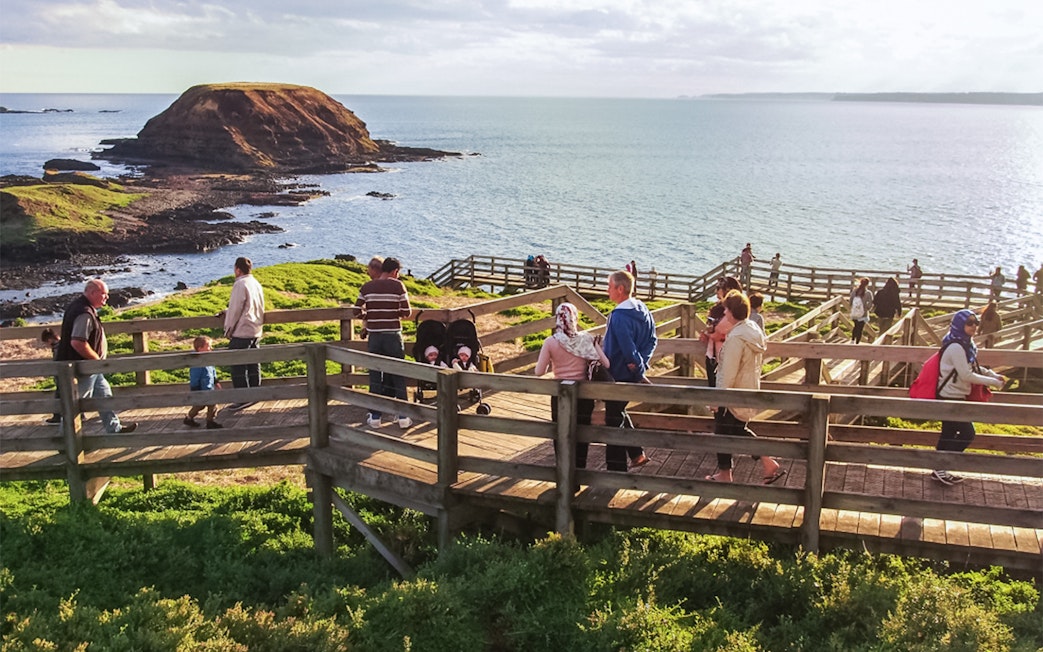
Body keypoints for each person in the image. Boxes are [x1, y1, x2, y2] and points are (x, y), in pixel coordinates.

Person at [705, 290, 785, 485]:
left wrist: (719, 399)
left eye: (725, 311)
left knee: (725, 431)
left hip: (733, 392)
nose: (724, 314)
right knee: (736, 430)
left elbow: (728, 371)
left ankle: (734, 471)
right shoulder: (752, 331)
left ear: (731, 312)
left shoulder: (736, 338)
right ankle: (765, 463)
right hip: (747, 388)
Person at [931, 310, 1005, 485]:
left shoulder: (965, 344)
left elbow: (973, 368)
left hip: (956, 395)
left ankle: (939, 468)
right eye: (970, 322)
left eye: (976, 322)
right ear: (959, 324)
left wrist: (993, 375)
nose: (974, 326)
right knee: (967, 433)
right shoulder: (957, 346)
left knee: (949, 433)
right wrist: (992, 382)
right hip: (950, 396)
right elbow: (966, 375)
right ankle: (940, 466)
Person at [535, 302, 610, 471]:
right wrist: (596, 345)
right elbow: (606, 363)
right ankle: (579, 473)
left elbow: (539, 372)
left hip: (560, 393)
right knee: (581, 436)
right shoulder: (586, 339)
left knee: (560, 435)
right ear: (575, 318)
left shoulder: (551, 342)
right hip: (584, 395)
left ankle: (563, 475)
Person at [55, 279, 137, 433]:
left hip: (91, 367)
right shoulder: (84, 312)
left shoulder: (81, 307)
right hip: (83, 368)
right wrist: (97, 361)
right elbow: (78, 342)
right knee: (75, 405)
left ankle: (115, 429)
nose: (106, 297)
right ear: (92, 293)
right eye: (104, 294)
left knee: (105, 395)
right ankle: (65, 439)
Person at [602, 270, 656, 471]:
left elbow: (627, 347)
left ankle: (615, 469)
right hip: (632, 373)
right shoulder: (644, 310)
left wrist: (638, 368)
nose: (607, 290)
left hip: (618, 374)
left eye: (609, 286)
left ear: (620, 288)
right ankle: (637, 455)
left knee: (613, 420)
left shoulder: (619, 316)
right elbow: (652, 340)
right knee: (618, 412)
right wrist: (642, 364)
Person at [355, 256, 413, 429]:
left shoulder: (367, 287)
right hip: (393, 336)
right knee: (397, 374)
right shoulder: (398, 285)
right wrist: (393, 312)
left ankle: (375, 417)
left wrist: (369, 316)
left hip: (375, 337)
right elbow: (407, 312)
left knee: (375, 375)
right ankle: (403, 416)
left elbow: (355, 311)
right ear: (395, 271)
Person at [701, 276, 743, 387]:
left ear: (728, 289)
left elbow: (717, 334)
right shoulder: (719, 308)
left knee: (721, 393)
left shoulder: (733, 312)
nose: (716, 291)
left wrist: (710, 334)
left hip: (724, 357)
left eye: (719, 287)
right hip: (713, 355)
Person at [184, 335, 222, 429]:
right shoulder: (197, 363)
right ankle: (189, 418)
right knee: (199, 405)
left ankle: (210, 421)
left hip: (209, 387)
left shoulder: (208, 359)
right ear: (200, 349)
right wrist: (195, 388)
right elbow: (194, 377)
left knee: (213, 404)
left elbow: (212, 370)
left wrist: (216, 380)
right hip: (201, 388)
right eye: (208, 346)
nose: (210, 349)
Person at [41, 328, 62, 424]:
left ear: (49, 340)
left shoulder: (57, 348)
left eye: (46, 343)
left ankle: (57, 416)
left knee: (59, 395)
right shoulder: (62, 344)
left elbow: (57, 361)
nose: (46, 345)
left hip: (61, 375)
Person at [850, 278, 873, 344]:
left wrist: (853, 307)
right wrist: (867, 308)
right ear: (867, 284)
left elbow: (851, 301)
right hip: (863, 314)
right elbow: (870, 303)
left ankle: (852, 340)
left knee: (855, 326)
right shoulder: (868, 293)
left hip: (855, 313)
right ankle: (857, 342)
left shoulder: (854, 291)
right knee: (860, 328)